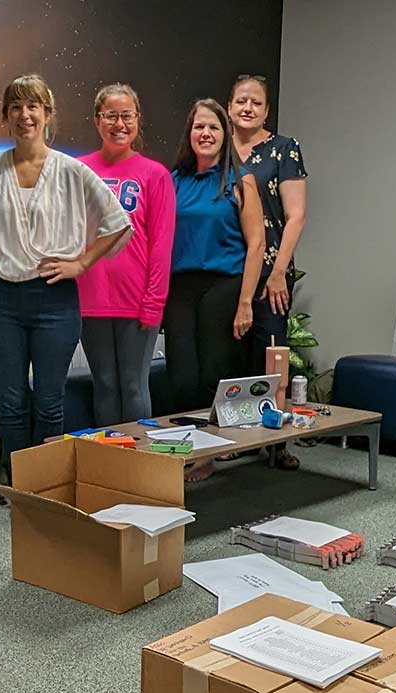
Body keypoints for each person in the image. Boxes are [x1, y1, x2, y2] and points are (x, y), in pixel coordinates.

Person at [0, 74, 132, 452]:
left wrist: (81, 263)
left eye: (32, 106)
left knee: (49, 402)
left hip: (55, 301)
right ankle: (18, 488)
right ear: (6, 116)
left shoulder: (71, 172)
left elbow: (117, 222)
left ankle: (46, 485)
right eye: (15, 107)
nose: (24, 115)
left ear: (47, 115)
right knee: (10, 405)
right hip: (3, 301)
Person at [165, 99, 265, 482]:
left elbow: (255, 244)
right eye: (199, 127)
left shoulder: (241, 182)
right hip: (181, 286)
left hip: (225, 284)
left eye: (214, 128)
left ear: (225, 135)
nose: (205, 134)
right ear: (189, 134)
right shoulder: (174, 181)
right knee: (181, 375)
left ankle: (208, 454)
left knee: (212, 372)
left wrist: (245, 303)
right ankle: (185, 448)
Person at [76, 83, 175, 426]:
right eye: (111, 116)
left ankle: (138, 469)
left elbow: (161, 245)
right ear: (97, 121)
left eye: (127, 115)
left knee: (133, 386)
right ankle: (110, 468)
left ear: (137, 120)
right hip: (90, 299)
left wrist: (154, 302)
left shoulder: (155, 174)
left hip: (137, 301)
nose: (119, 124)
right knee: (104, 385)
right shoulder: (78, 170)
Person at [229, 73, 308, 470]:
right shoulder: (218, 150)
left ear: (266, 110)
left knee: (270, 353)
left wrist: (277, 273)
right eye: (241, 101)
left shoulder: (283, 149)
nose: (248, 108)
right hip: (228, 270)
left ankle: (275, 442)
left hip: (270, 272)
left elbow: (296, 216)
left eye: (256, 103)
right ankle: (235, 437)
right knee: (232, 357)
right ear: (229, 107)